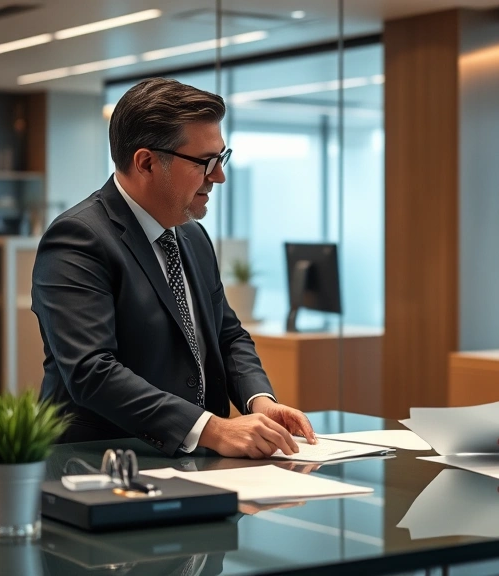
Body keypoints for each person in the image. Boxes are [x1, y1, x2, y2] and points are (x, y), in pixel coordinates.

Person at [32, 77, 315, 458]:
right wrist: (211, 429)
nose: (219, 176)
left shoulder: (193, 236)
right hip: (101, 463)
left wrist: (258, 401)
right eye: (205, 162)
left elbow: (227, 335)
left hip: (194, 462)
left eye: (222, 157)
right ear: (146, 162)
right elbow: (91, 372)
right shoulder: (77, 239)